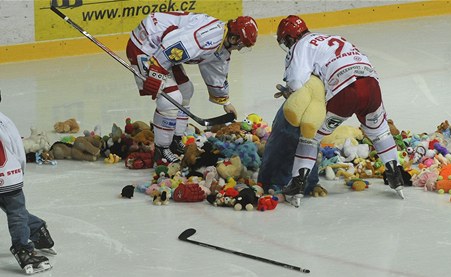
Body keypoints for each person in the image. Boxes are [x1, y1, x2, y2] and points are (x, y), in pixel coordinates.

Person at [275, 15, 406, 206]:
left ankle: (297, 184)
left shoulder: (300, 45)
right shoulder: (330, 37)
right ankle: (396, 176)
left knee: (310, 137)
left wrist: (290, 93)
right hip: (371, 84)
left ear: (289, 37)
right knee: (380, 131)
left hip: (345, 91)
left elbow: (296, 80)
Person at [126, 12, 258, 163]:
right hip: (146, 46)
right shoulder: (208, 37)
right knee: (170, 99)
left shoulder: (222, 43)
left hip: (163, 51)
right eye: (241, 44)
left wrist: (225, 102)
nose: (240, 49)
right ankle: (161, 149)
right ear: (234, 38)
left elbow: (216, 71)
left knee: (186, 90)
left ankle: (175, 141)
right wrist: (156, 73)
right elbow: (173, 43)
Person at [0, 91, 56, 274]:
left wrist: (17, 173)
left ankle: (23, 248)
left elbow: (15, 147)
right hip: (10, 176)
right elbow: (18, 147)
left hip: (7, 175)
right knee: (16, 211)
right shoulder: (5, 121)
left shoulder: (3, 123)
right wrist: (20, 171)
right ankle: (37, 229)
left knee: (15, 212)